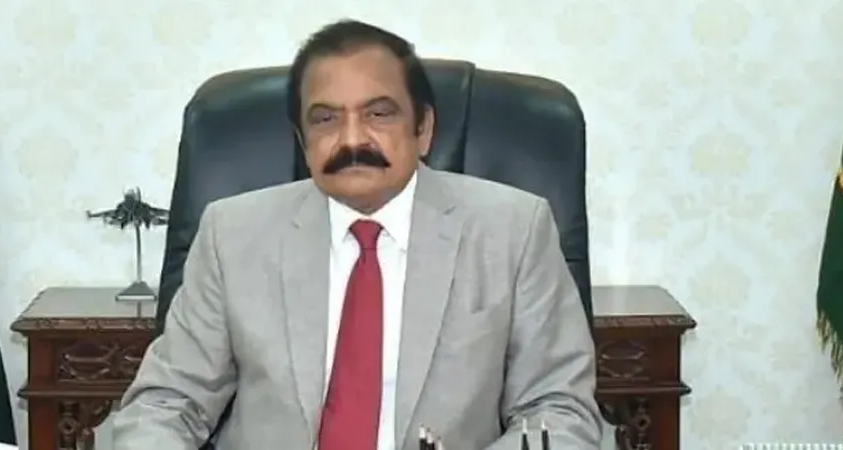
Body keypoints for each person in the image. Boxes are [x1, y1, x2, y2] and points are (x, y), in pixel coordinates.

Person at [112, 19, 601, 450]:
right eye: (325, 119)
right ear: (303, 141)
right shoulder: (232, 234)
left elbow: (559, 410)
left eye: (379, 114)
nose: (351, 139)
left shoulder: (513, 231)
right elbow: (166, 403)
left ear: (424, 129)